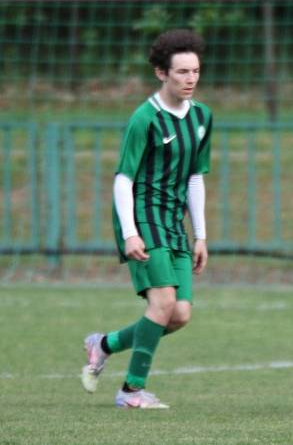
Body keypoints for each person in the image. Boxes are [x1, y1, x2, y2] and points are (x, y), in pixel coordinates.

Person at [81, 29, 213, 409]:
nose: (190, 79)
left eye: (195, 71)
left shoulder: (202, 117)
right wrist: (129, 233)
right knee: (163, 304)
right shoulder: (145, 119)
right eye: (182, 72)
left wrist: (200, 235)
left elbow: (194, 176)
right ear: (161, 73)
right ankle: (131, 391)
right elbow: (123, 179)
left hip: (174, 222)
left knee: (180, 314)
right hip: (143, 218)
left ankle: (102, 344)